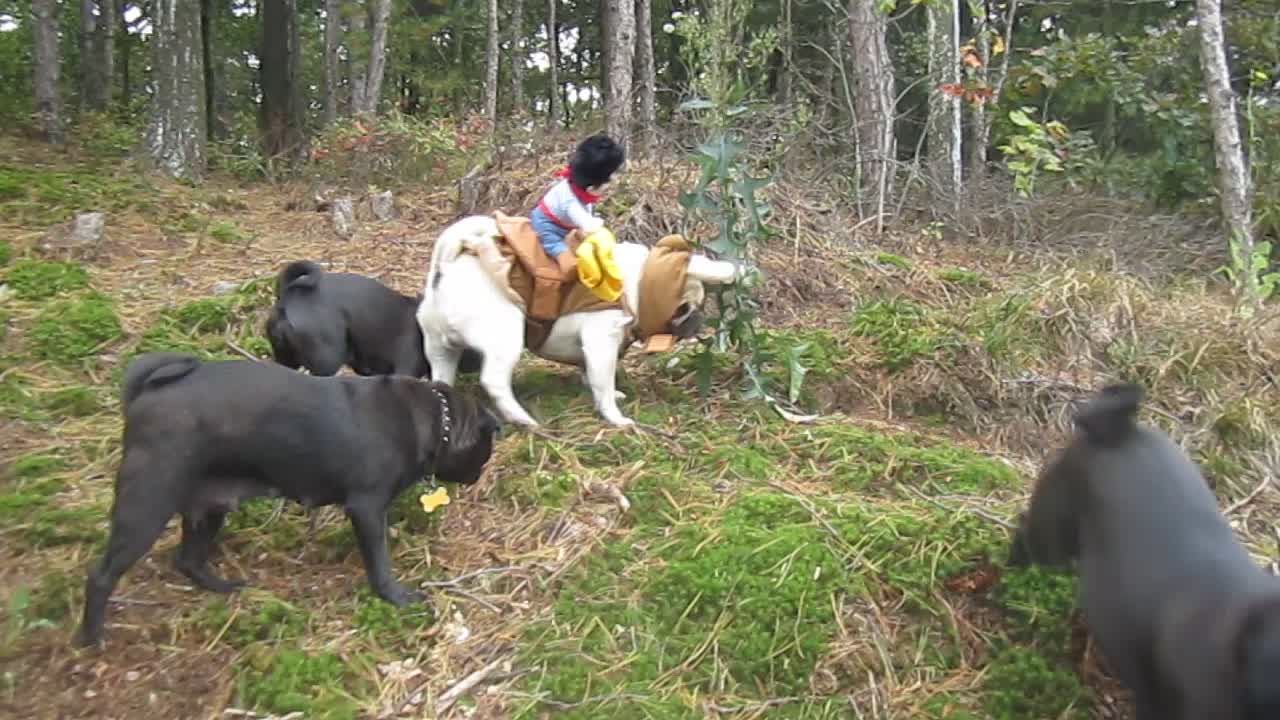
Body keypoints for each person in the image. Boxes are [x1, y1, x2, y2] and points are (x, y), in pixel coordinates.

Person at [530, 134, 625, 301]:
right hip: (547, 226)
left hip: (567, 226)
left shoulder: (581, 191)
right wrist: (597, 227)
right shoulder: (570, 201)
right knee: (569, 265)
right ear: (592, 185)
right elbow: (589, 225)